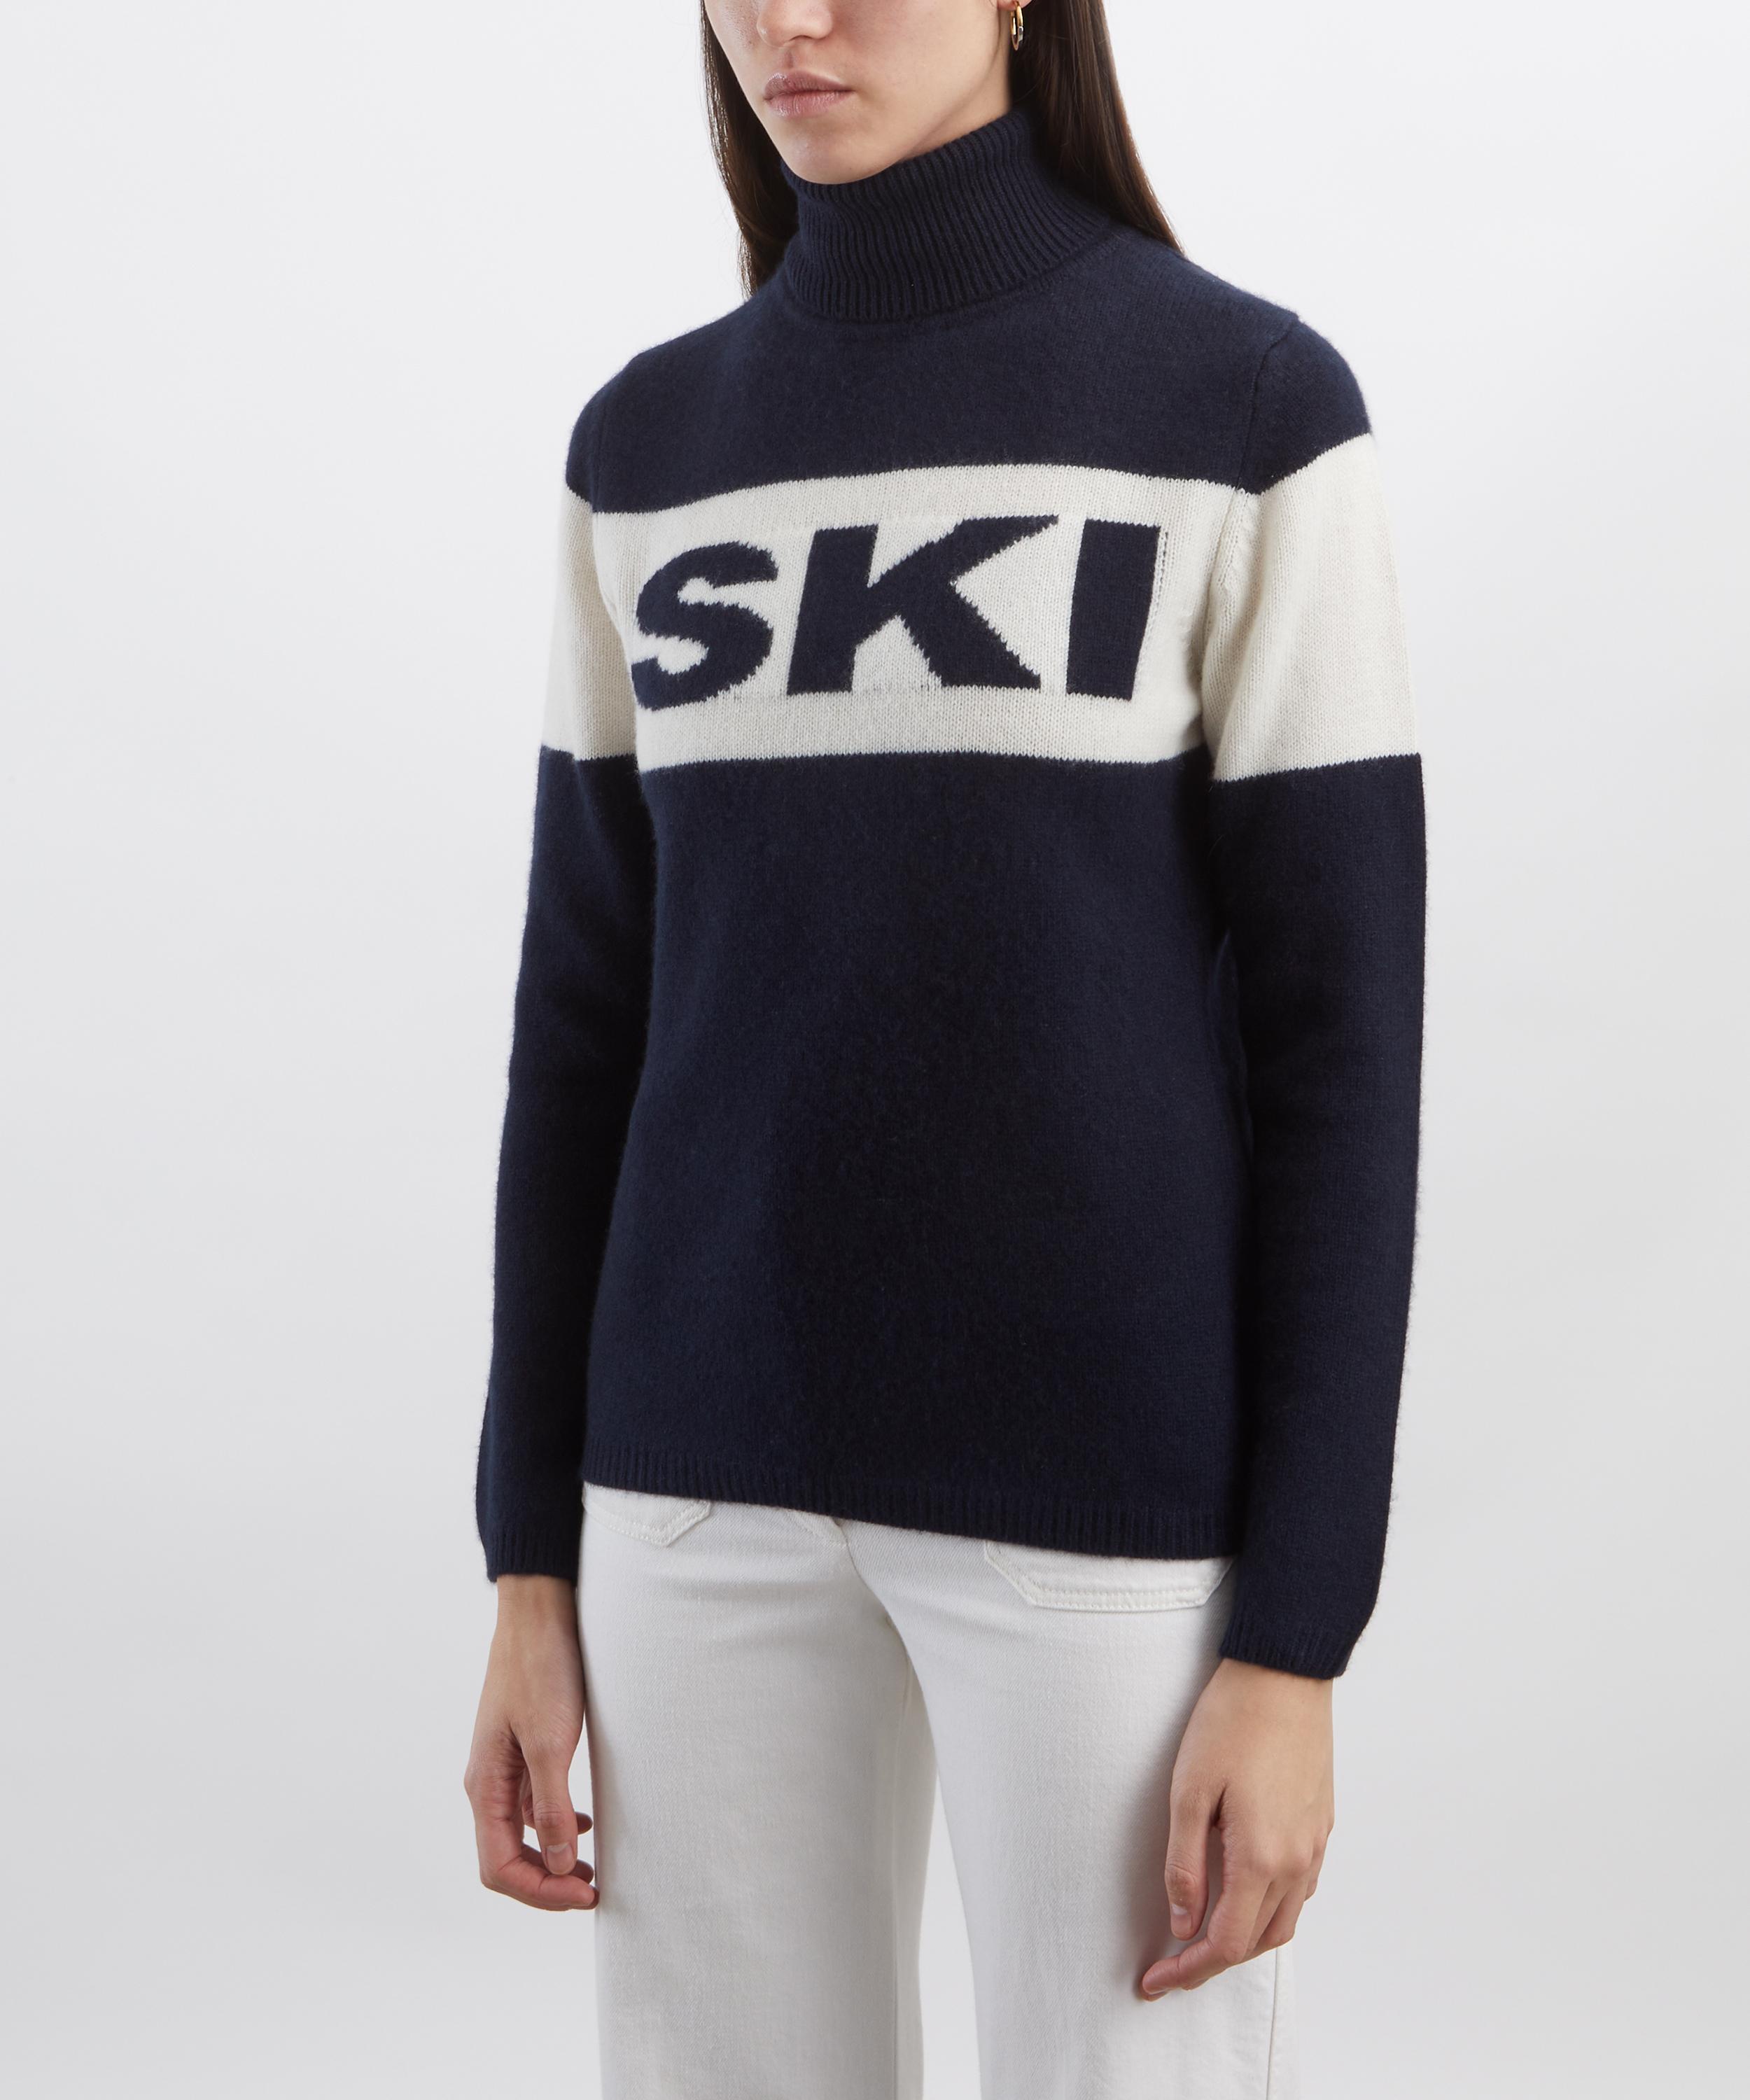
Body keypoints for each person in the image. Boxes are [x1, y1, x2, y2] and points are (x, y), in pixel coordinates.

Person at [463, 2, 1425, 2093]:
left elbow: (1343, 1061)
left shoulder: (1245, 408)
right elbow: (582, 1027)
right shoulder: (648, 447)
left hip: (1104, 1495)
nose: (789, 22)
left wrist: (1295, 1635)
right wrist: (529, 1561)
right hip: (688, 1496)